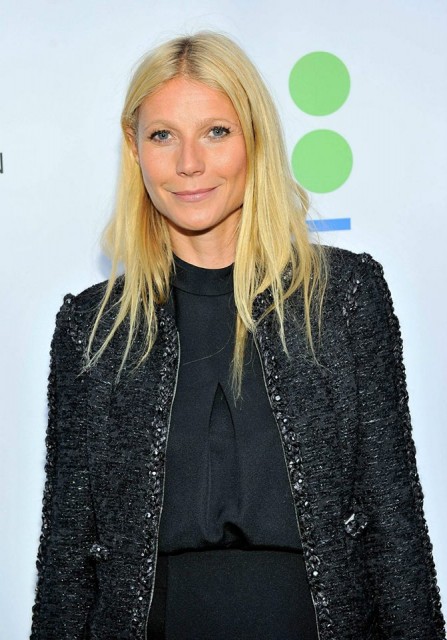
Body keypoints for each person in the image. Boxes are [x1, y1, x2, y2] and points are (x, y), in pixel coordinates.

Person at [30, 31, 445, 640]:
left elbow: (394, 524)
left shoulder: (344, 297)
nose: (188, 163)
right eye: (162, 135)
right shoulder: (92, 328)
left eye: (216, 132)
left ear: (255, 138)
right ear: (134, 148)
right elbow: (67, 553)